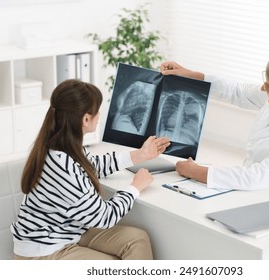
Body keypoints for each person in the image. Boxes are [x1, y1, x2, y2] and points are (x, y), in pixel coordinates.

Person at [10, 79, 170, 260]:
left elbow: (92, 165)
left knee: (137, 239)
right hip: (45, 251)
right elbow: (104, 217)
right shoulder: (62, 166)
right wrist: (135, 188)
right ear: (86, 119)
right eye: (97, 111)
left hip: (69, 230)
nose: (99, 114)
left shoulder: (62, 145)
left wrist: (140, 155)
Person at [160, 48, 269, 191]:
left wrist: (196, 172)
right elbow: (237, 91)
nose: (264, 88)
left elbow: (255, 178)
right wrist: (190, 75)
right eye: (266, 81)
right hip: (249, 186)